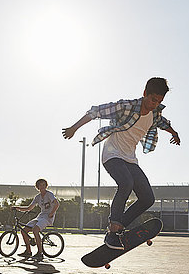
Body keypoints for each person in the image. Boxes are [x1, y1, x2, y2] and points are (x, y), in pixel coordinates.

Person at [62, 77, 180, 249]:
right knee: (126, 183)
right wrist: (74, 128)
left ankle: (118, 227)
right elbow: (96, 112)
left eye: (159, 101)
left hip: (130, 159)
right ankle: (113, 230)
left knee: (148, 198)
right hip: (112, 155)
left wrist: (174, 133)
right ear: (145, 93)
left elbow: (163, 123)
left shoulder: (155, 114)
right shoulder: (126, 107)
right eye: (153, 99)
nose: (155, 104)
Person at [12, 179, 59, 261]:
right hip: (40, 216)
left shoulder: (49, 194)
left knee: (35, 230)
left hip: (48, 217)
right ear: (38, 187)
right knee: (24, 230)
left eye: (44, 185)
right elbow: (29, 208)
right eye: (40, 185)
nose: (42, 187)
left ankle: (40, 253)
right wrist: (17, 208)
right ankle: (28, 251)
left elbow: (57, 203)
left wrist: (52, 213)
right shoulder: (38, 197)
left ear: (46, 186)